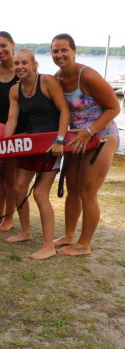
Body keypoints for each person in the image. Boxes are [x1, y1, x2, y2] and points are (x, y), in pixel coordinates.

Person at [51, 34, 120, 256]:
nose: (59, 55)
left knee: (87, 191)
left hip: (101, 137)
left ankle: (84, 243)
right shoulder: (57, 78)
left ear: (73, 51)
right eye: (55, 51)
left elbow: (114, 108)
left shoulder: (87, 75)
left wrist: (90, 131)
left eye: (64, 50)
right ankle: (69, 235)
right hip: (76, 141)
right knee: (72, 188)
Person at [4, 49, 70, 259]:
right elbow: (12, 120)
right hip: (29, 143)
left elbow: (64, 111)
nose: (20, 67)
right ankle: (26, 232)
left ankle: (48, 246)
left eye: (24, 63)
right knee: (18, 188)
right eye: (16, 63)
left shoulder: (47, 81)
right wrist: (5, 144)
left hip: (51, 146)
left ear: (34, 64)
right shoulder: (15, 90)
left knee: (40, 194)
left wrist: (60, 139)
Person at [0, 31, 25, 232]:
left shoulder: (21, 67)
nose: (0, 50)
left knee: (11, 176)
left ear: (12, 44)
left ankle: (9, 219)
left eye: (3, 46)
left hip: (18, 127)